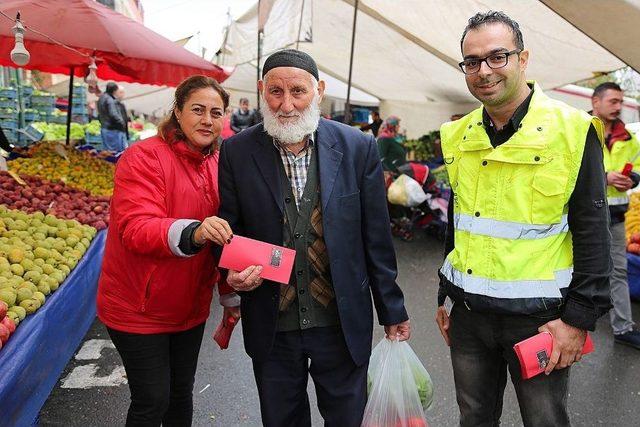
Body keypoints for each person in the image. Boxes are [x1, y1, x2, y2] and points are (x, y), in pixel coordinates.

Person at [434, 11, 611, 426]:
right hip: (470, 316)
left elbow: (592, 230)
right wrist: (445, 293)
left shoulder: (571, 129)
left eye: (498, 57)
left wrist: (578, 320)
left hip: (541, 320)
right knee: (474, 417)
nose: (484, 71)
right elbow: (459, 223)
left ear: (523, 59)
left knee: (545, 420)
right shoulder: (457, 135)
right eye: (472, 61)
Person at [218, 49, 410, 427]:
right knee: (282, 419)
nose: (286, 104)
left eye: (298, 92)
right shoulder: (237, 152)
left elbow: (376, 238)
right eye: (275, 92)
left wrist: (392, 309)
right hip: (272, 323)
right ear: (261, 91)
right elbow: (229, 226)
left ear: (318, 90)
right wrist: (232, 274)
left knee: (347, 418)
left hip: (340, 321)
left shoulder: (358, 148)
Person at [96, 75, 239, 426]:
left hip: (188, 305)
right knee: (152, 399)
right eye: (198, 110)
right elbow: (135, 227)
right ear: (177, 111)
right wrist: (195, 231)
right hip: (138, 306)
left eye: (216, 112)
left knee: (180, 395)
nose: (207, 120)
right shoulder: (143, 157)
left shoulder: (220, 163)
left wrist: (231, 291)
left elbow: (229, 233)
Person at [591, 82, 640, 349]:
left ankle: (623, 327)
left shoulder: (629, 138)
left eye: (621, 101)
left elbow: (639, 166)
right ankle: (564, 324)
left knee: (618, 271)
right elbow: (565, 170)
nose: (618, 107)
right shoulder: (578, 130)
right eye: (613, 101)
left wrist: (632, 178)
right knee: (572, 268)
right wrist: (604, 177)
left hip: (617, 215)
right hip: (585, 214)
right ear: (595, 102)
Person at [97, 82, 128, 152]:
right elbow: (113, 114)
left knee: (108, 152)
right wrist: (122, 122)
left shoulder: (101, 98)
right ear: (114, 91)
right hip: (112, 129)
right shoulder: (110, 100)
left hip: (104, 127)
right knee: (115, 153)